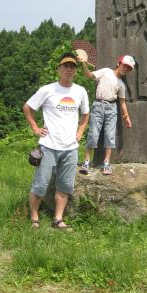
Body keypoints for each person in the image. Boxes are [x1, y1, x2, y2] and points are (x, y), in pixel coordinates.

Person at [23, 52, 89, 230]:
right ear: (59, 69)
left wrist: (80, 131)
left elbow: (85, 114)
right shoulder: (47, 89)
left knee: (65, 186)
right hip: (48, 145)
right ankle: (34, 218)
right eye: (65, 66)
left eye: (72, 66)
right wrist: (36, 128)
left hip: (70, 148)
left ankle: (58, 219)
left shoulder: (80, 91)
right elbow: (27, 107)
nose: (69, 69)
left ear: (76, 70)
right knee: (41, 184)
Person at [79, 54, 135, 175]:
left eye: (129, 68)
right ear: (119, 63)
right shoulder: (106, 71)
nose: (126, 69)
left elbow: (122, 102)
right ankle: (86, 162)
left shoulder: (121, 84)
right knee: (93, 133)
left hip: (112, 108)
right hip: (98, 104)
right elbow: (89, 75)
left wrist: (127, 117)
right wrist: (83, 64)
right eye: (125, 65)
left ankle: (106, 163)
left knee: (110, 135)